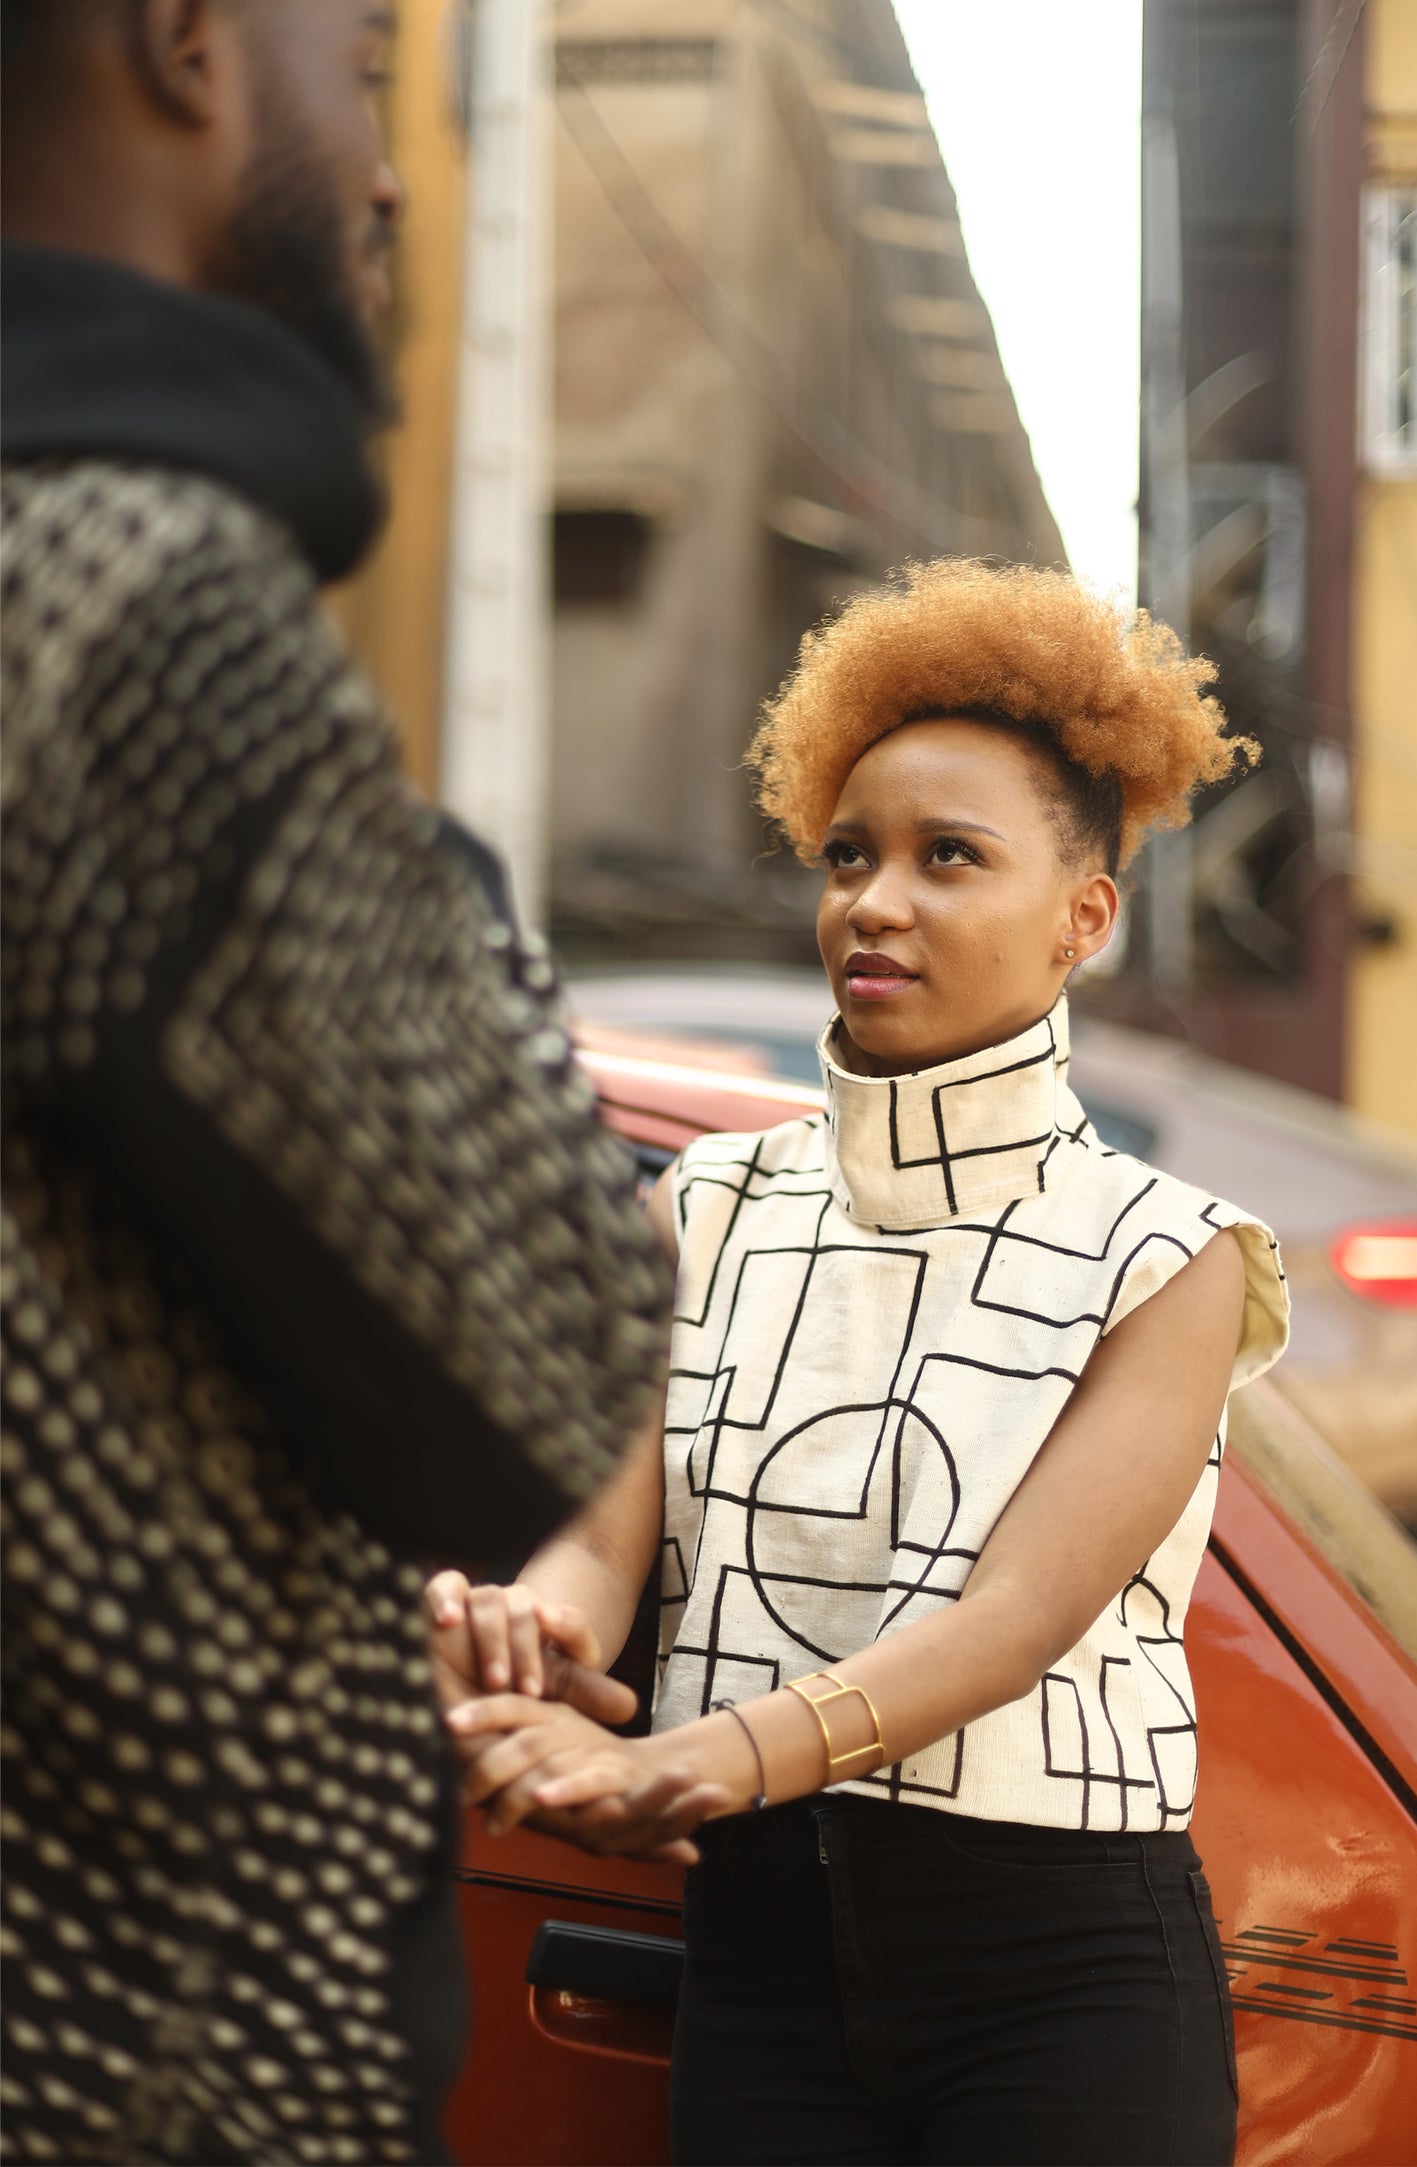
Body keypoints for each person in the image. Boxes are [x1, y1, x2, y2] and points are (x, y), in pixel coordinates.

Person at [0, 3, 704, 2160]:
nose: (389, 172)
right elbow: (553, 1353)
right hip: (131, 2066)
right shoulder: (128, 587)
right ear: (187, 40)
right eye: (370, 71)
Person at [429, 560, 1291, 2167]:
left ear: (1079, 918)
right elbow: (611, 1530)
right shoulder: (705, 1198)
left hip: (1060, 1986)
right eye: (848, 856)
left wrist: (685, 1764)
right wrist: (524, 1637)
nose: (871, 904)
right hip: (757, 1980)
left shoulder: (1166, 1249)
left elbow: (1014, 1622)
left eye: (946, 859)